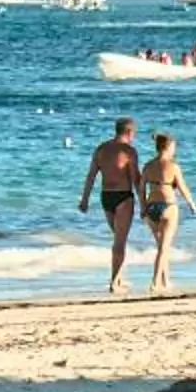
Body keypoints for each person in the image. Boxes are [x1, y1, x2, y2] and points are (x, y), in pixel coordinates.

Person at [79, 117, 144, 292]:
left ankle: (120, 278)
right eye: (134, 134)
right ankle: (114, 282)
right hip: (123, 197)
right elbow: (135, 179)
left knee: (118, 240)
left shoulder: (101, 149)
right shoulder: (129, 151)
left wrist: (84, 199)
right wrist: (144, 203)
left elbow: (91, 176)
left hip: (105, 197)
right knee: (120, 242)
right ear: (130, 133)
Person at [141, 131, 196, 291]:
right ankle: (155, 282)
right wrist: (192, 204)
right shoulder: (173, 167)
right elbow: (182, 188)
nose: (175, 149)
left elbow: (141, 189)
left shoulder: (147, 166)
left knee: (161, 247)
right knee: (164, 247)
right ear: (168, 147)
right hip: (168, 206)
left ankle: (166, 281)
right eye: (173, 146)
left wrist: (142, 208)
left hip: (151, 207)